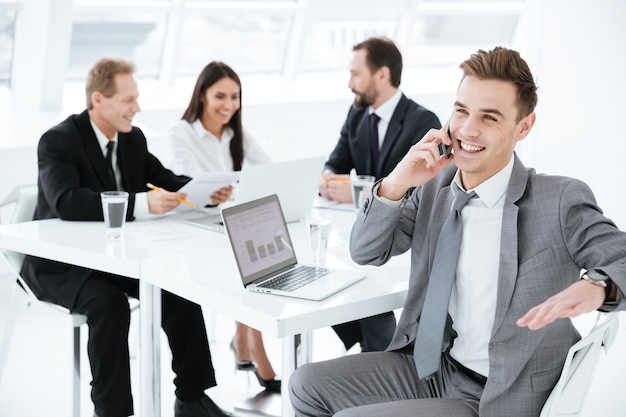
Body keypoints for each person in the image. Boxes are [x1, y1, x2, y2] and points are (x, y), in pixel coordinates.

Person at [289, 46, 626, 417]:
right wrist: (399, 179)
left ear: (524, 126)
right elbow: (367, 250)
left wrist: (599, 287)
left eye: (490, 117)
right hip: (434, 369)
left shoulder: (558, 199)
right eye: (461, 110)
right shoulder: (436, 186)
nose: (467, 129)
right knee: (305, 384)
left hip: (500, 391)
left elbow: (621, 258)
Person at [20, 58, 232, 417]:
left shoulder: (132, 139)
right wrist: (140, 203)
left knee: (178, 291)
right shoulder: (58, 141)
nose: (137, 108)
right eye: (128, 100)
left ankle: (192, 399)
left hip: (114, 257)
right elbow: (66, 202)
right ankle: (113, 412)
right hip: (62, 266)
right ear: (98, 100)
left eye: (137, 98)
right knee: (110, 306)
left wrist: (206, 191)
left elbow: (163, 177)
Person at [319, 36, 442, 354]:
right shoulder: (357, 114)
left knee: (357, 289)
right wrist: (332, 178)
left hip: (395, 244)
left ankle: (380, 350)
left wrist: (359, 190)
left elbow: (422, 191)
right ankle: (370, 347)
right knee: (327, 279)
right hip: (356, 234)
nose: (350, 83)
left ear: (382, 75)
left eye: (356, 74)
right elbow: (336, 162)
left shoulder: (423, 122)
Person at [167, 61, 279, 392]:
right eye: (220, 96)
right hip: (191, 229)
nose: (228, 105)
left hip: (225, 224)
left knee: (263, 246)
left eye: (235, 97)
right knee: (250, 255)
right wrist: (212, 192)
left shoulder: (234, 134)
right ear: (201, 95)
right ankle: (253, 348)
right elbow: (181, 183)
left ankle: (245, 339)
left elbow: (268, 169)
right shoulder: (181, 133)